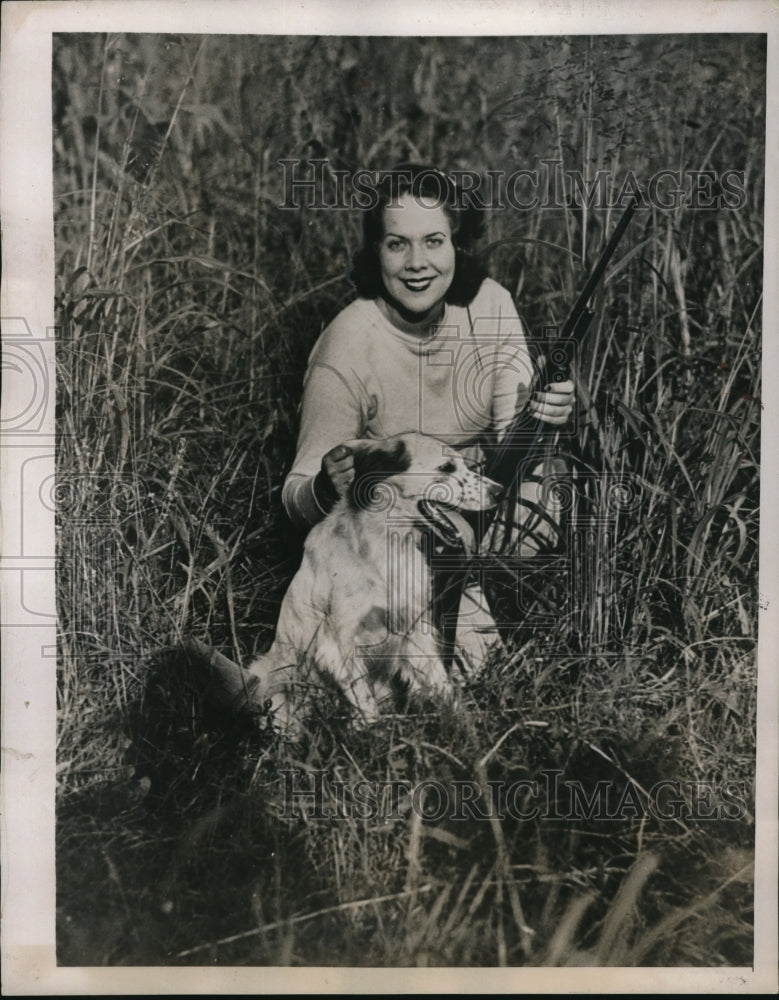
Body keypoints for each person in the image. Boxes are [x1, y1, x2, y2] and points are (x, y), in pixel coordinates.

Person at [282, 162, 575, 671]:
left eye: (434, 241)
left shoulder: (492, 306)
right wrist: (331, 483)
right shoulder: (347, 343)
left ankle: (493, 601)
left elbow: (514, 441)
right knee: (458, 680)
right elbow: (295, 496)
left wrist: (547, 414)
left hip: (476, 504)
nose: (417, 263)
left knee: (551, 486)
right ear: (377, 252)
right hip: (396, 539)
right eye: (398, 244)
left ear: (457, 247)